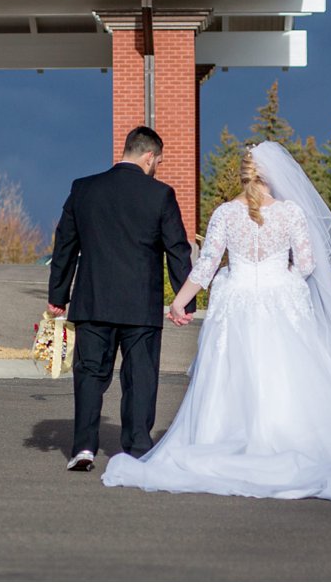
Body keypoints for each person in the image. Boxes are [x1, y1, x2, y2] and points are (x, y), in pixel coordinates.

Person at [101, 142, 331, 509]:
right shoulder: (291, 213)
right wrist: (279, 276)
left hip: (236, 301)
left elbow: (205, 267)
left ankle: (220, 443)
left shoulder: (224, 213)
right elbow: (305, 264)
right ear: (274, 176)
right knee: (285, 372)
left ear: (243, 174)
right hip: (279, 299)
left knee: (231, 373)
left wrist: (178, 301)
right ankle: (289, 442)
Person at [48, 126, 194, 472]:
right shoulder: (160, 195)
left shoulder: (83, 189)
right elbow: (177, 249)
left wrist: (58, 296)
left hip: (94, 301)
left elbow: (65, 245)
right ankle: (137, 446)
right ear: (148, 156)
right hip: (140, 306)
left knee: (90, 375)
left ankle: (83, 447)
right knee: (140, 376)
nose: (157, 165)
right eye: (158, 159)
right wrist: (185, 302)